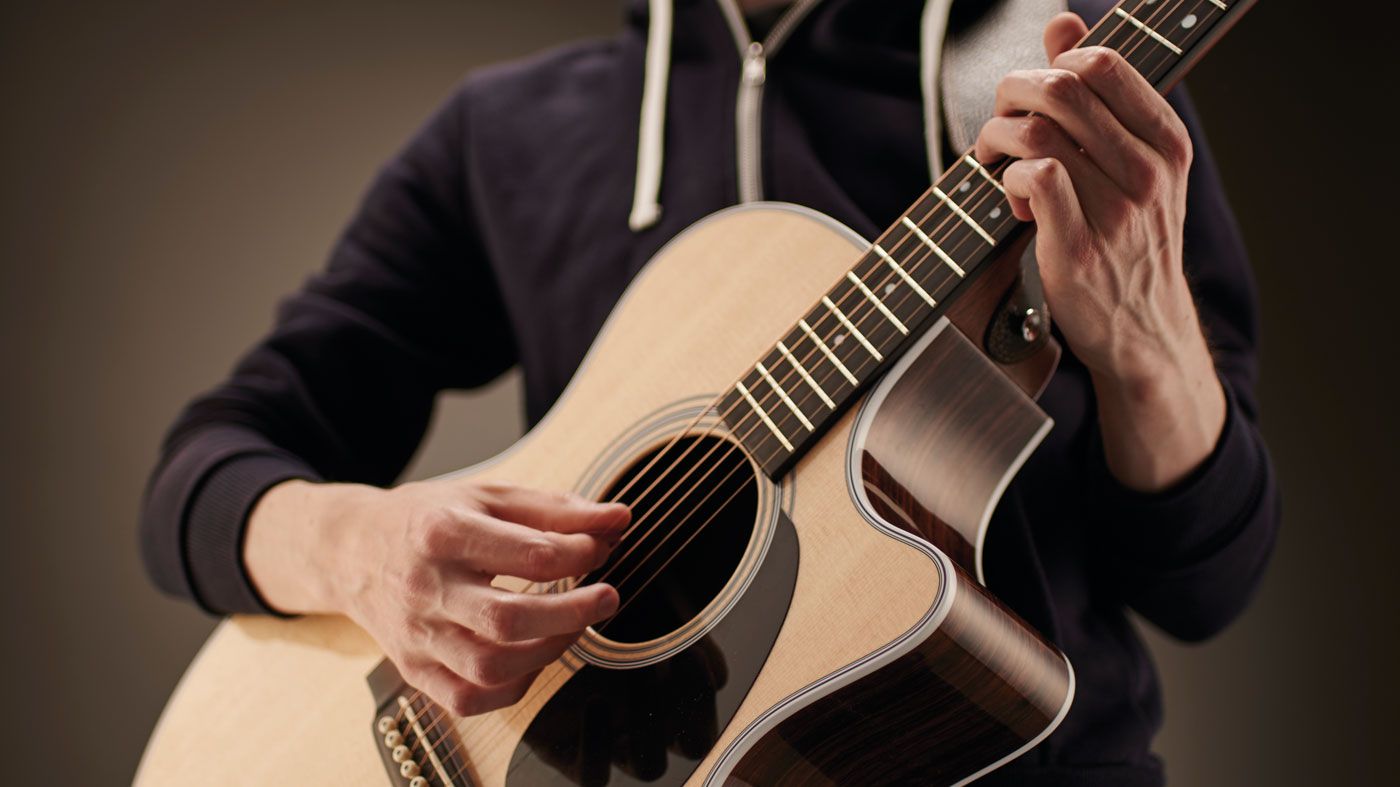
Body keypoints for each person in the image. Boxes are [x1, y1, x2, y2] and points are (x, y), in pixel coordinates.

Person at [139, 0, 1279, 783]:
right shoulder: (506, 133)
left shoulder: (1067, 96)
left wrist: (1146, 345)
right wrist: (357, 546)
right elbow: (205, 474)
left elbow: (1205, 583)